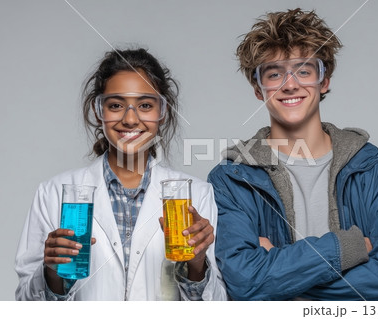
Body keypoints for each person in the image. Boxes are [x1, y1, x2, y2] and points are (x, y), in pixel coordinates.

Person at [207, 8, 378, 300]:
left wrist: (280, 271)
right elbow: (244, 282)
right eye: (274, 73)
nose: (290, 84)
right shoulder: (232, 178)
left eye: (304, 70)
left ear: (324, 80)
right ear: (258, 89)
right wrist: (347, 248)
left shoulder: (373, 168)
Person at [15, 48, 227, 300]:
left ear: (163, 111)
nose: (130, 119)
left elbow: (217, 303)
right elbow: (25, 303)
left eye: (145, 105)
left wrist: (197, 264)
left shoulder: (198, 194)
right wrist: (51, 273)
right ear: (98, 110)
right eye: (116, 105)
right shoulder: (52, 193)